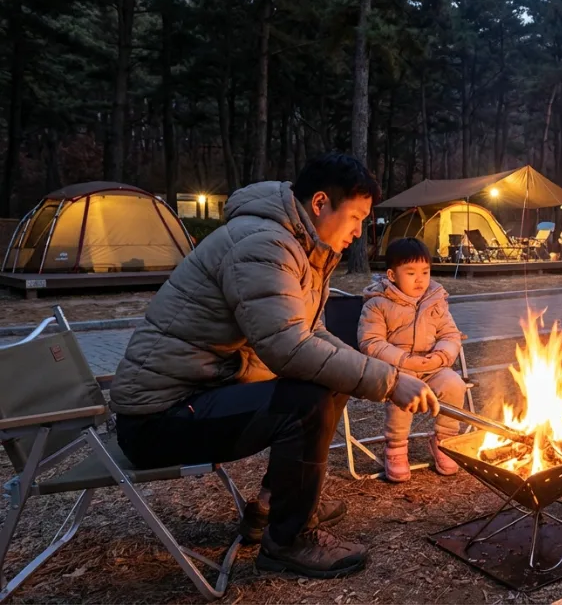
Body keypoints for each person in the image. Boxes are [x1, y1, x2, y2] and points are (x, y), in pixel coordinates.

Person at [110, 153, 439, 579]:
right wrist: (390, 382)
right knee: (309, 397)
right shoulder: (262, 244)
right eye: (356, 217)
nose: (359, 232)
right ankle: (288, 541)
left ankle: (271, 505)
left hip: (200, 395)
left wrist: (384, 375)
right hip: (160, 419)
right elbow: (288, 348)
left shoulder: (301, 247)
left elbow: (314, 337)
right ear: (320, 203)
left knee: (331, 378)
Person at [358, 238, 466, 483]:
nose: (420, 279)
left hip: (433, 365)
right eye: (411, 272)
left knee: (454, 385)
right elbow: (371, 343)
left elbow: (450, 335)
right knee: (402, 393)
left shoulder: (435, 300)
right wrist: (405, 360)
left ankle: (444, 441)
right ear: (392, 275)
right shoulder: (378, 303)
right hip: (397, 369)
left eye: (425, 272)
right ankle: (396, 447)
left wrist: (440, 356)